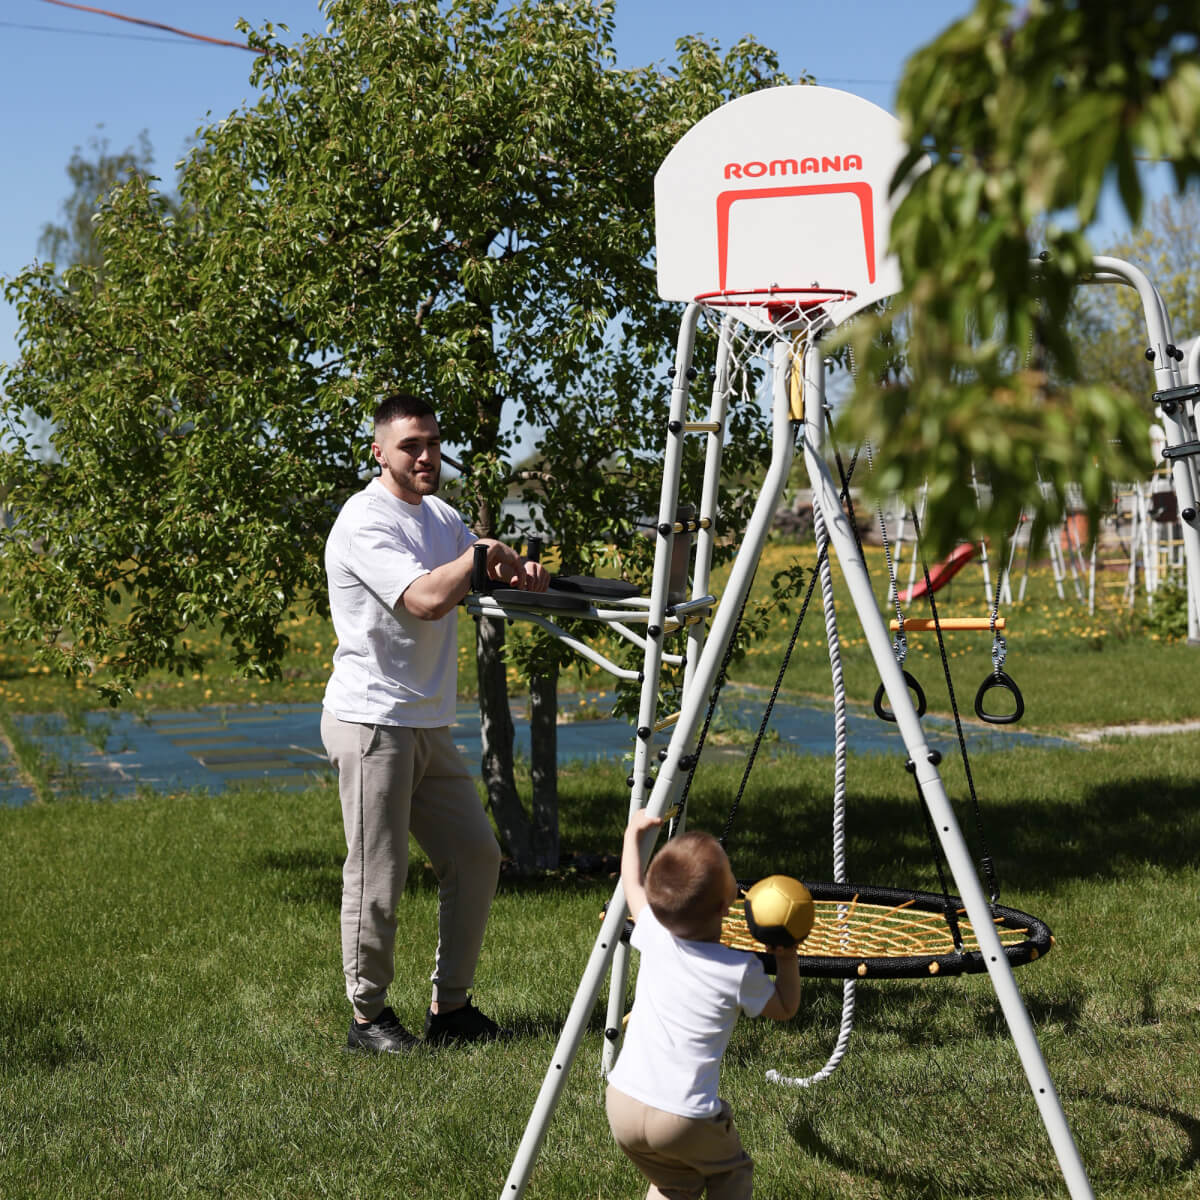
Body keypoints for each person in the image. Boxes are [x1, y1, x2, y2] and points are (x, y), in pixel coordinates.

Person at [321, 391, 549, 1053]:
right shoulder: (365, 521)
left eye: (432, 444)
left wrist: (513, 567)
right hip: (372, 721)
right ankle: (367, 1018)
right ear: (379, 452)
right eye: (410, 446)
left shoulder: (441, 515)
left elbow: (476, 558)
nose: (425, 456)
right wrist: (479, 560)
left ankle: (450, 1009)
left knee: (475, 855)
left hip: (425, 722)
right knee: (378, 875)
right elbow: (424, 597)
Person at [606, 810, 801, 1198]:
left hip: (622, 1102)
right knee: (732, 1172)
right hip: (683, 1116)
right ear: (726, 905)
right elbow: (785, 1007)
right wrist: (787, 957)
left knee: (674, 1183)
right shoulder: (737, 969)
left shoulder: (653, 931)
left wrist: (632, 835)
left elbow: (632, 883)